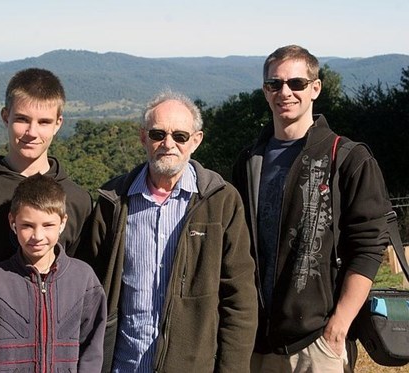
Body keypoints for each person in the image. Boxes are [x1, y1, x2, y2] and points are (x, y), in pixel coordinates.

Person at [232, 45, 391, 372]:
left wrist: (338, 327)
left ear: (315, 88)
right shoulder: (249, 162)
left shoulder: (348, 158)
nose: (285, 92)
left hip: (316, 342)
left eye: (297, 84)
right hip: (255, 342)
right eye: (274, 84)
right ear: (265, 92)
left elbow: (369, 247)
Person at [79, 90, 257, 372]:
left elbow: (240, 300)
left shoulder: (220, 201)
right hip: (123, 365)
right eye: (157, 134)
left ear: (196, 141)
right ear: (142, 137)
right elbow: (90, 290)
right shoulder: (113, 202)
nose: (168, 144)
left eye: (180, 136)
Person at [0, 68, 93, 276]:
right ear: (5, 117)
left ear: (58, 124)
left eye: (44, 122)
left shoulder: (78, 200)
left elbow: (78, 277)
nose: (32, 132)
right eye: (22, 119)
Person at [0, 174, 106, 372]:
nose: (37, 236)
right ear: (12, 222)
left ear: (63, 222)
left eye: (48, 225)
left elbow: (92, 351)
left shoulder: (84, 279)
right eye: (27, 225)